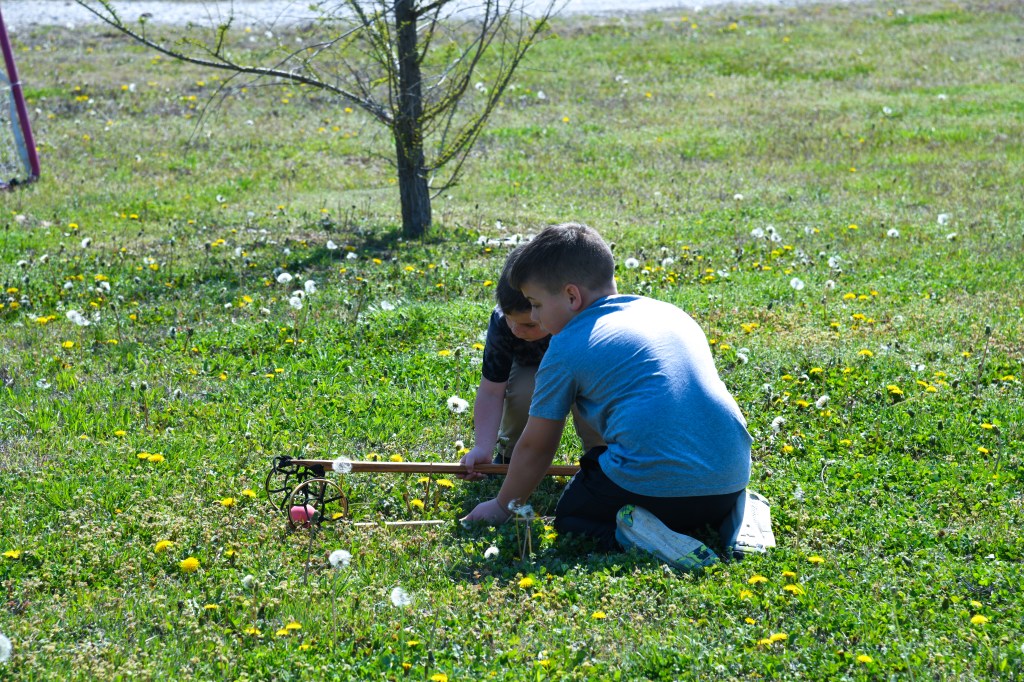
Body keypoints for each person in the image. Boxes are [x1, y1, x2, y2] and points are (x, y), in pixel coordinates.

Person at [461, 222, 754, 570]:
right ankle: (745, 514)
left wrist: (501, 505)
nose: (535, 316)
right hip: (730, 482)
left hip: (653, 493)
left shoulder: (567, 344)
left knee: (572, 516)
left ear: (572, 297)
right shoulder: (669, 313)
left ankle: (648, 534)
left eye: (536, 304)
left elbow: (537, 446)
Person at [460, 246, 603, 473]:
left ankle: (603, 456)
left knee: (590, 393)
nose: (517, 330)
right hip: (530, 366)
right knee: (524, 392)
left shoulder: (581, 322)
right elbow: (491, 391)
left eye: (529, 324)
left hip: (581, 369)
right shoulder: (502, 324)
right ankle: (510, 454)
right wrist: (482, 447)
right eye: (510, 319)